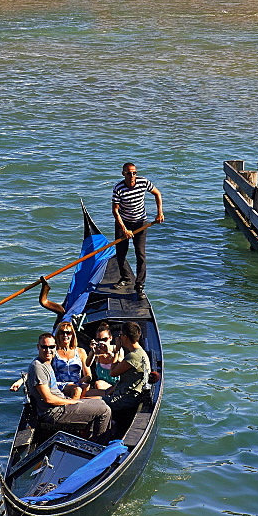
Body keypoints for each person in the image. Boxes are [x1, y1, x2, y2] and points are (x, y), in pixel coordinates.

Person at [24, 333, 112, 442]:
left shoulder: (46, 363)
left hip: (61, 405)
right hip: (54, 412)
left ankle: (89, 438)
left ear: (55, 347)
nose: (48, 350)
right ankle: (99, 445)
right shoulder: (38, 367)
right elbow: (48, 399)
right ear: (38, 347)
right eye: (44, 347)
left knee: (102, 403)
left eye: (51, 347)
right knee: (104, 411)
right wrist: (71, 402)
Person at [112, 161, 164, 295]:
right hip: (123, 222)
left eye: (134, 173)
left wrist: (160, 213)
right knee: (121, 253)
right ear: (123, 174)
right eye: (129, 173)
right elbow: (115, 211)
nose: (132, 175)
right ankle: (126, 278)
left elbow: (157, 194)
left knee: (140, 254)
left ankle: (140, 284)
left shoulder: (143, 182)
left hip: (141, 222)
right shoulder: (118, 188)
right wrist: (124, 229)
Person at [99, 321, 150, 413]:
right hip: (127, 395)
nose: (118, 338)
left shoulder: (133, 356)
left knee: (86, 402)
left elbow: (112, 373)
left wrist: (116, 351)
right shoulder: (141, 353)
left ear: (125, 337)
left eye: (120, 335)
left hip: (123, 399)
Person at [85, 321, 123, 390]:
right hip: (102, 385)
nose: (101, 342)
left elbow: (122, 363)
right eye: (98, 340)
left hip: (117, 385)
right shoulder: (97, 351)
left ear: (110, 338)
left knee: (98, 384)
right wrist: (92, 351)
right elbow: (87, 364)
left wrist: (108, 352)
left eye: (104, 339)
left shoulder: (116, 348)